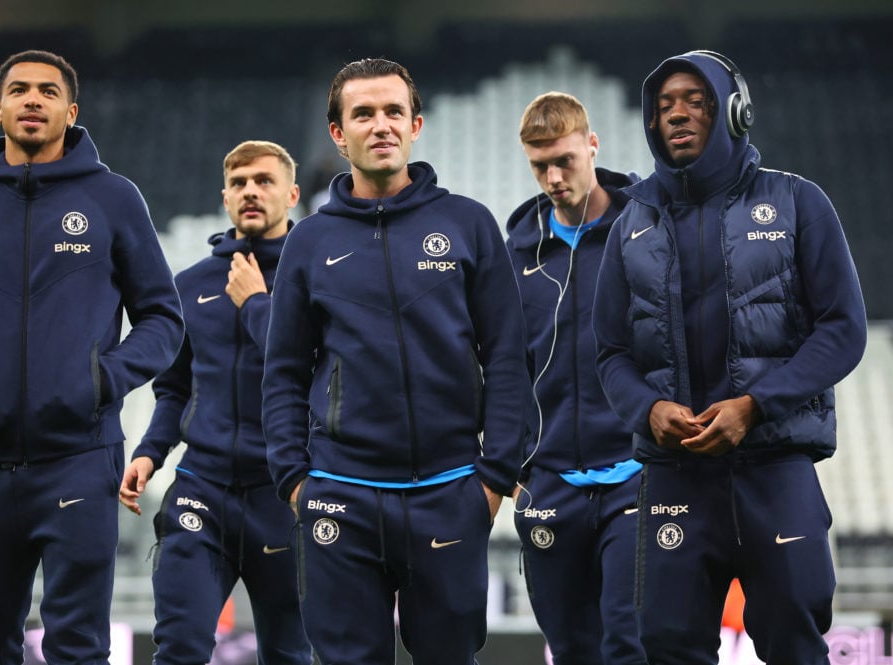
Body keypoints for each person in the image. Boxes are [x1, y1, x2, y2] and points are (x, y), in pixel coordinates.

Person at [0, 49, 184, 664]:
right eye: (21, 90)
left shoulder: (114, 198)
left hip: (80, 458)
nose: (34, 99)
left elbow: (163, 318)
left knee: (77, 647)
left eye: (48, 91)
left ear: (70, 110)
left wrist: (102, 380)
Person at [592, 50, 867, 664]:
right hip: (674, 475)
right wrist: (648, 408)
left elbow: (844, 330)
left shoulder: (799, 202)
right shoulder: (630, 222)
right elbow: (609, 352)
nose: (678, 115)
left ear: (735, 111)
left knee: (796, 645)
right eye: (664, 106)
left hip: (776, 469)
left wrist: (755, 406)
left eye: (696, 100)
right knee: (666, 645)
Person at [261, 58, 530, 664]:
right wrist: (295, 479)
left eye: (392, 112)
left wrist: (491, 478)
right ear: (338, 133)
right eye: (363, 114)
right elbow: (283, 371)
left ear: (416, 126)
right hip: (339, 496)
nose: (379, 125)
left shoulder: (468, 224)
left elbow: (508, 356)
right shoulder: (309, 241)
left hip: (449, 492)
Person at [118, 140, 312, 665]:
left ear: (291, 194)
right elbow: (174, 387)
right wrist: (149, 452)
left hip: (285, 498)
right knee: (179, 647)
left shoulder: (316, 277)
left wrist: (257, 304)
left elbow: (310, 369)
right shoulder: (191, 284)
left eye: (265, 181)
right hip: (202, 489)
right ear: (225, 197)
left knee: (290, 655)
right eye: (240, 182)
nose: (251, 191)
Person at [505, 92, 645, 665]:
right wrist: (515, 465)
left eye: (566, 159)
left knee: (631, 641)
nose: (555, 176)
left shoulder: (648, 231)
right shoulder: (513, 255)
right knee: (570, 649)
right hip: (549, 480)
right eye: (540, 165)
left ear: (593, 145)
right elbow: (498, 367)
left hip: (639, 473)